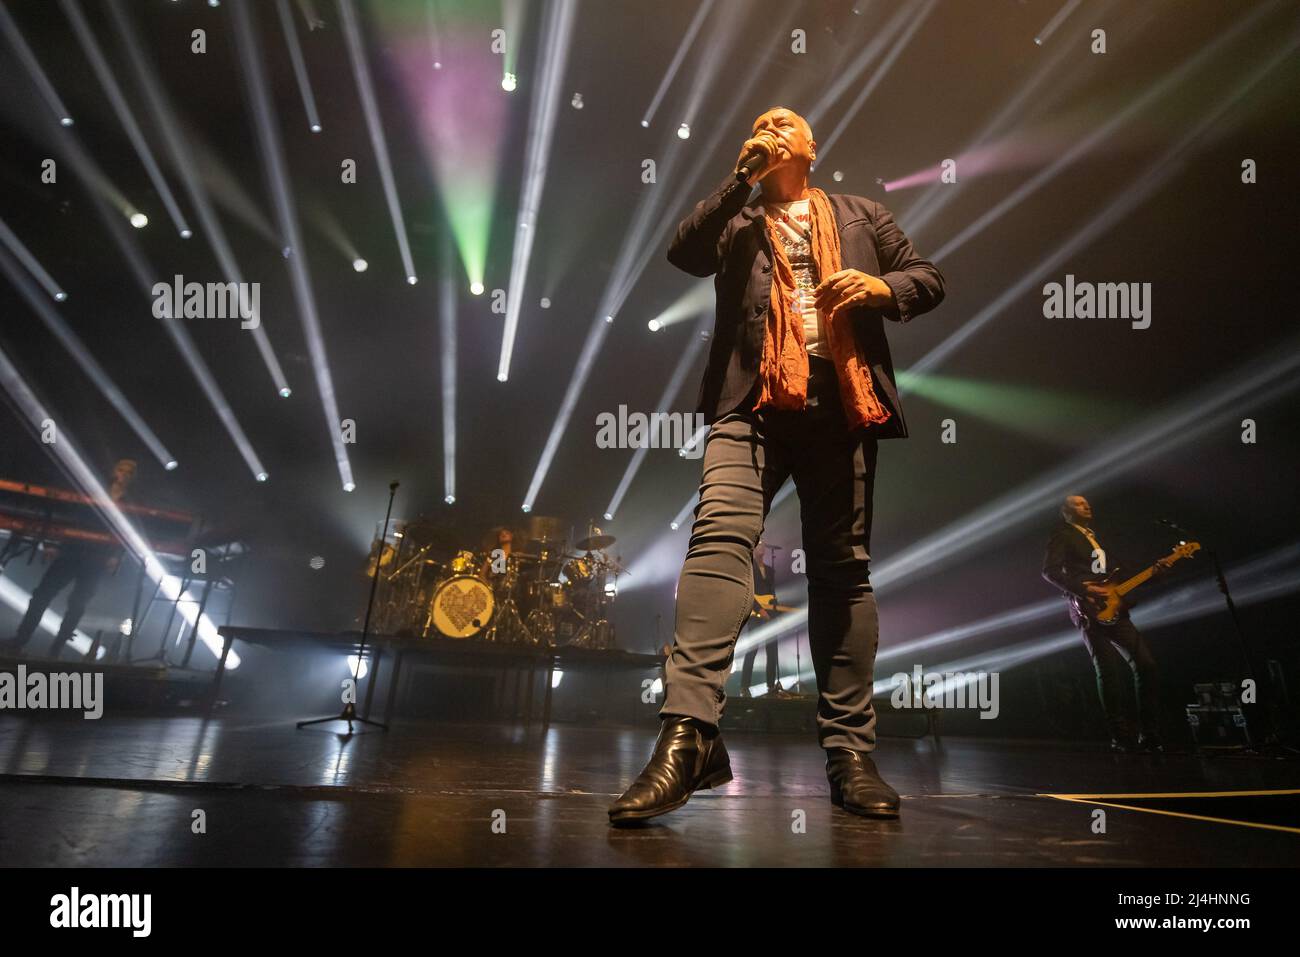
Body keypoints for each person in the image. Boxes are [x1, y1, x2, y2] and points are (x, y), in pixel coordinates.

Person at [609, 107, 945, 824]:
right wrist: (740, 179)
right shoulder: (737, 219)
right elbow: (684, 251)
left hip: (841, 405)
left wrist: (884, 289)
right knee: (717, 541)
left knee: (842, 568)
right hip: (749, 403)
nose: (772, 124)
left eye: (785, 120)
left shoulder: (861, 215)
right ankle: (688, 737)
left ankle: (850, 753)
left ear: (812, 145)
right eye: (760, 120)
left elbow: (927, 275)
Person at [1042, 494, 1169, 752]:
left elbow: (1121, 576)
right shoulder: (1063, 535)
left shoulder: (1097, 538)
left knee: (1146, 666)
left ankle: (1150, 734)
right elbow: (1049, 570)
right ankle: (1121, 736)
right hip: (1087, 609)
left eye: (1087, 502)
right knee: (1108, 671)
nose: (1086, 505)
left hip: (1116, 609)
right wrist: (1082, 589)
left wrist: (1155, 574)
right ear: (1065, 512)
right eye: (1078, 503)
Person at [5, 459, 137, 659]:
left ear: (133, 478)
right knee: (43, 595)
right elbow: (70, 515)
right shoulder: (93, 491)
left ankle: (55, 649)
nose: (124, 475)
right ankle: (20, 640)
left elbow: (128, 533)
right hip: (73, 549)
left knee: (77, 603)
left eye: (129, 473)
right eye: (121, 470)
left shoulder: (128, 503)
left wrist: (116, 556)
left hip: (97, 557)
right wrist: (54, 542)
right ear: (114, 470)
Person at [738, 541, 789, 697]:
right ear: (753, 549)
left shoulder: (770, 570)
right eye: (759, 545)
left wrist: (776, 611)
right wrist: (760, 609)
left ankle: (771, 685)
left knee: (772, 650)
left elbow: (772, 594)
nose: (762, 547)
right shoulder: (748, 569)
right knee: (752, 649)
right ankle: (744, 686)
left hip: (770, 613)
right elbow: (748, 594)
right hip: (755, 614)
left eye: (763, 545)